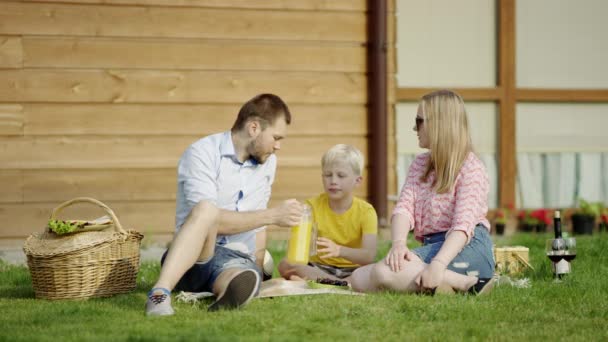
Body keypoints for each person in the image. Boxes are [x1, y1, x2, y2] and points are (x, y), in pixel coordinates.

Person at [145, 94, 304, 316]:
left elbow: (257, 222)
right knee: (206, 209)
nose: (278, 146)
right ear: (254, 128)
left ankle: (229, 291)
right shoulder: (202, 153)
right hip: (194, 257)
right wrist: (273, 215)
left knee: (242, 276)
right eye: (276, 137)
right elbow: (210, 220)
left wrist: (258, 266)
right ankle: (159, 293)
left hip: (235, 260)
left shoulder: (268, 162)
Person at [350, 89, 495, 295]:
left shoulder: (472, 168)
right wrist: (399, 244)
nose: (414, 128)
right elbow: (404, 209)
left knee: (383, 273)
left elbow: (462, 227)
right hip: (433, 248)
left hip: (466, 248)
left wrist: (438, 264)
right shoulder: (420, 163)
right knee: (359, 278)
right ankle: (458, 285)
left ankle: (458, 281)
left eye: (419, 121)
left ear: (439, 124)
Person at [278, 144, 378, 282]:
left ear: (358, 180)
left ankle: (324, 282)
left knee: (377, 271)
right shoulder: (310, 206)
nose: (333, 181)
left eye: (341, 176)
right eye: (328, 175)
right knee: (286, 264)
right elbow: (298, 252)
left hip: (354, 270)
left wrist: (339, 250)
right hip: (318, 267)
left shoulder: (366, 211)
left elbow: (368, 256)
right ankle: (339, 284)